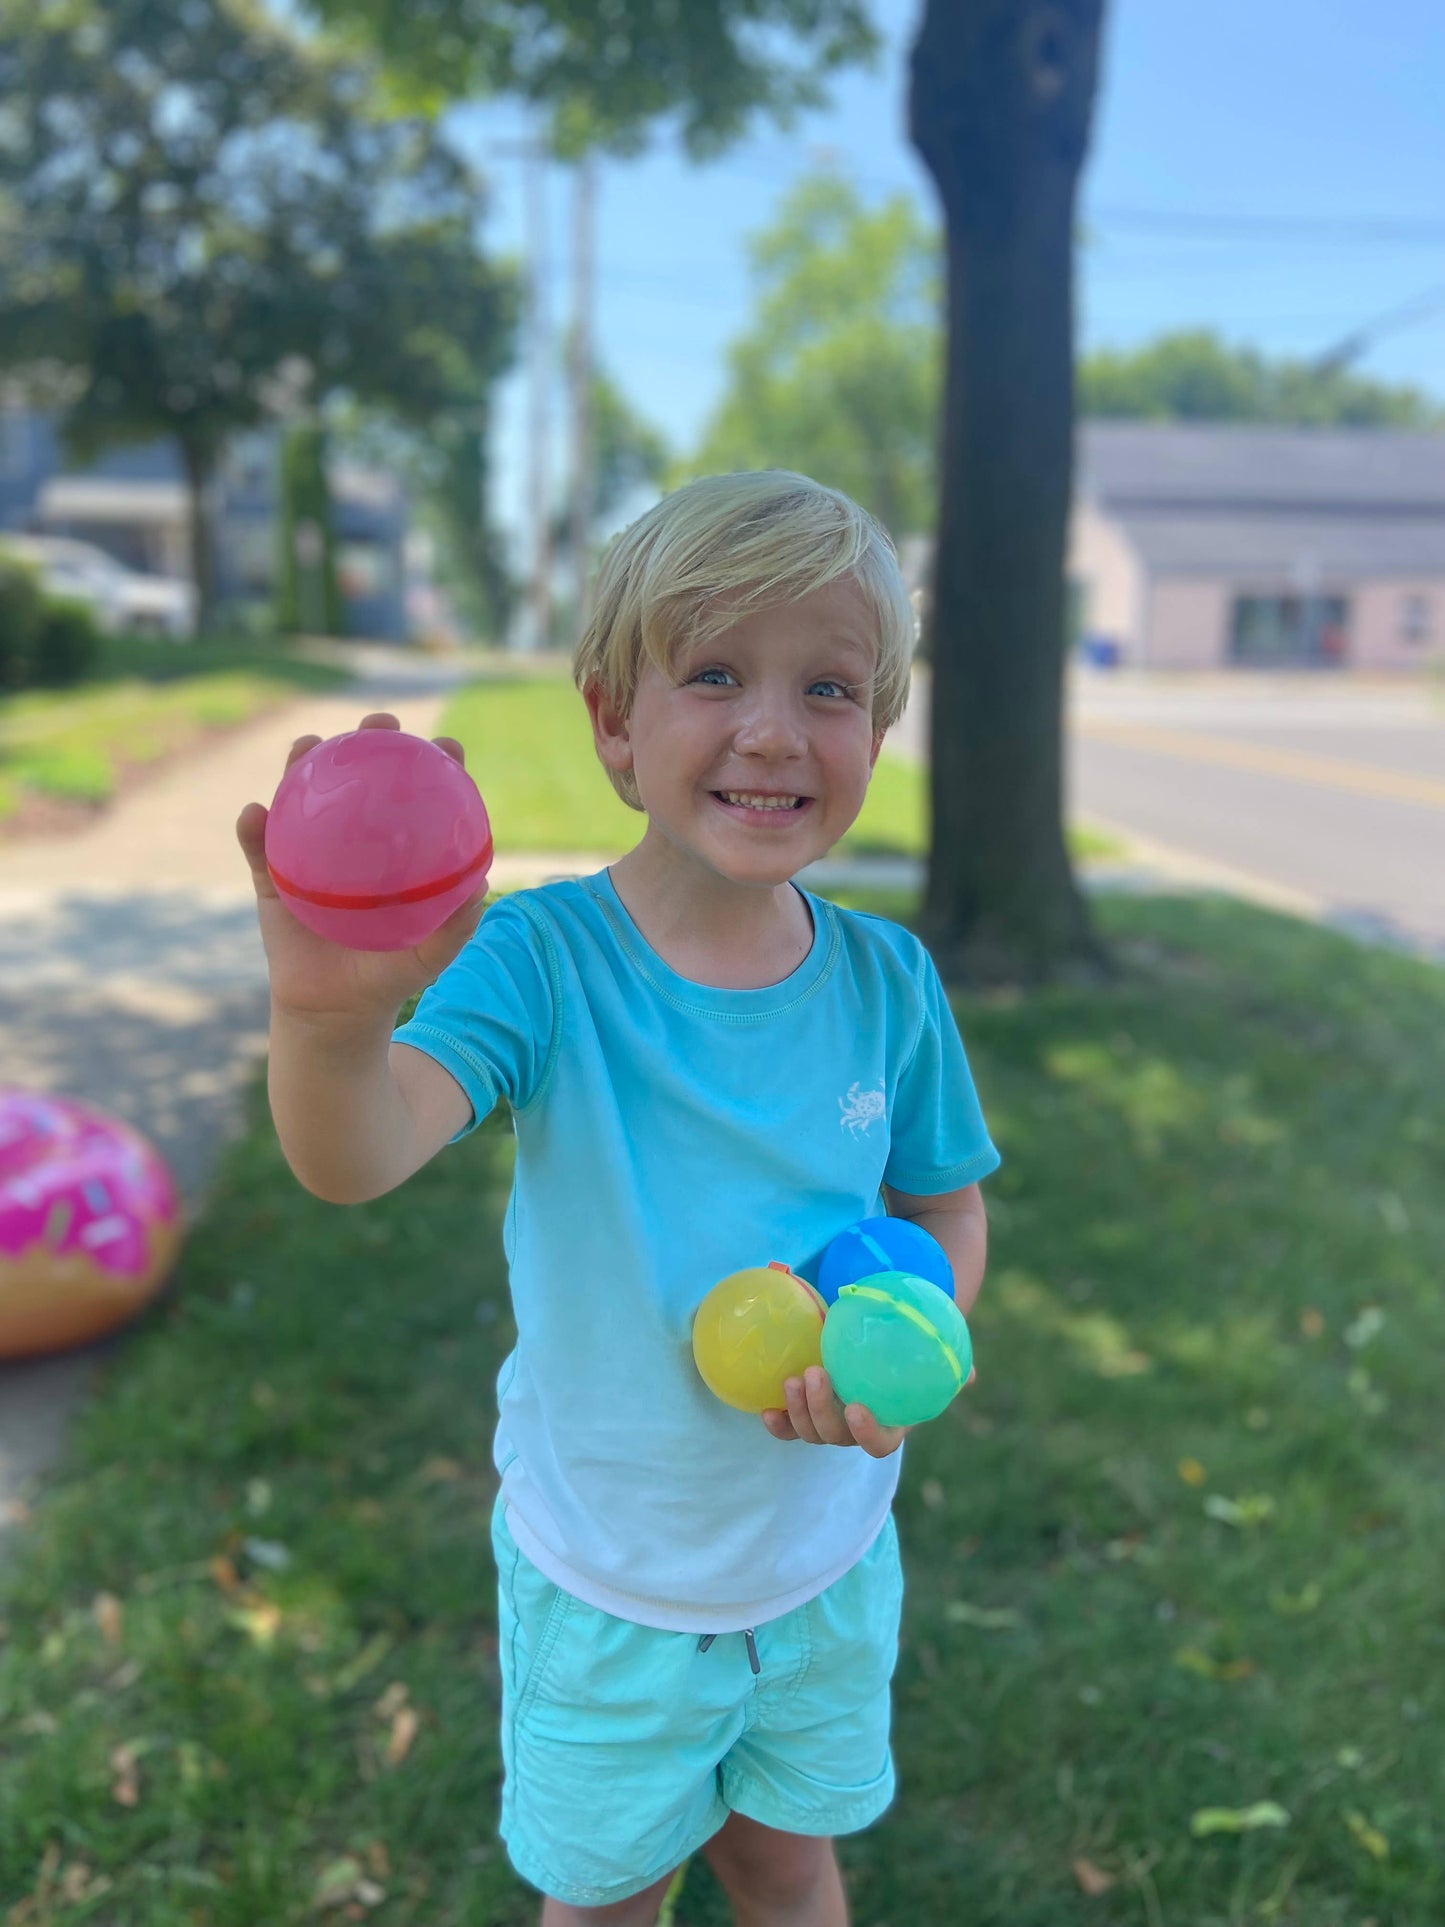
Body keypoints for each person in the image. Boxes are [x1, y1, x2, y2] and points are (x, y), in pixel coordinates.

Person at [236, 470, 1000, 1927]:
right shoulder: (540, 962)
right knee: (609, 1899)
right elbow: (356, 1157)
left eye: (828, 688)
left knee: (786, 1865)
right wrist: (330, 1023)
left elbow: (943, 1210)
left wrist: (910, 1334)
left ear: (877, 733)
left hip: (821, 1557)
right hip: (612, 1581)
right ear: (611, 722)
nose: (772, 729)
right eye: (713, 674)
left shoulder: (887, 984)